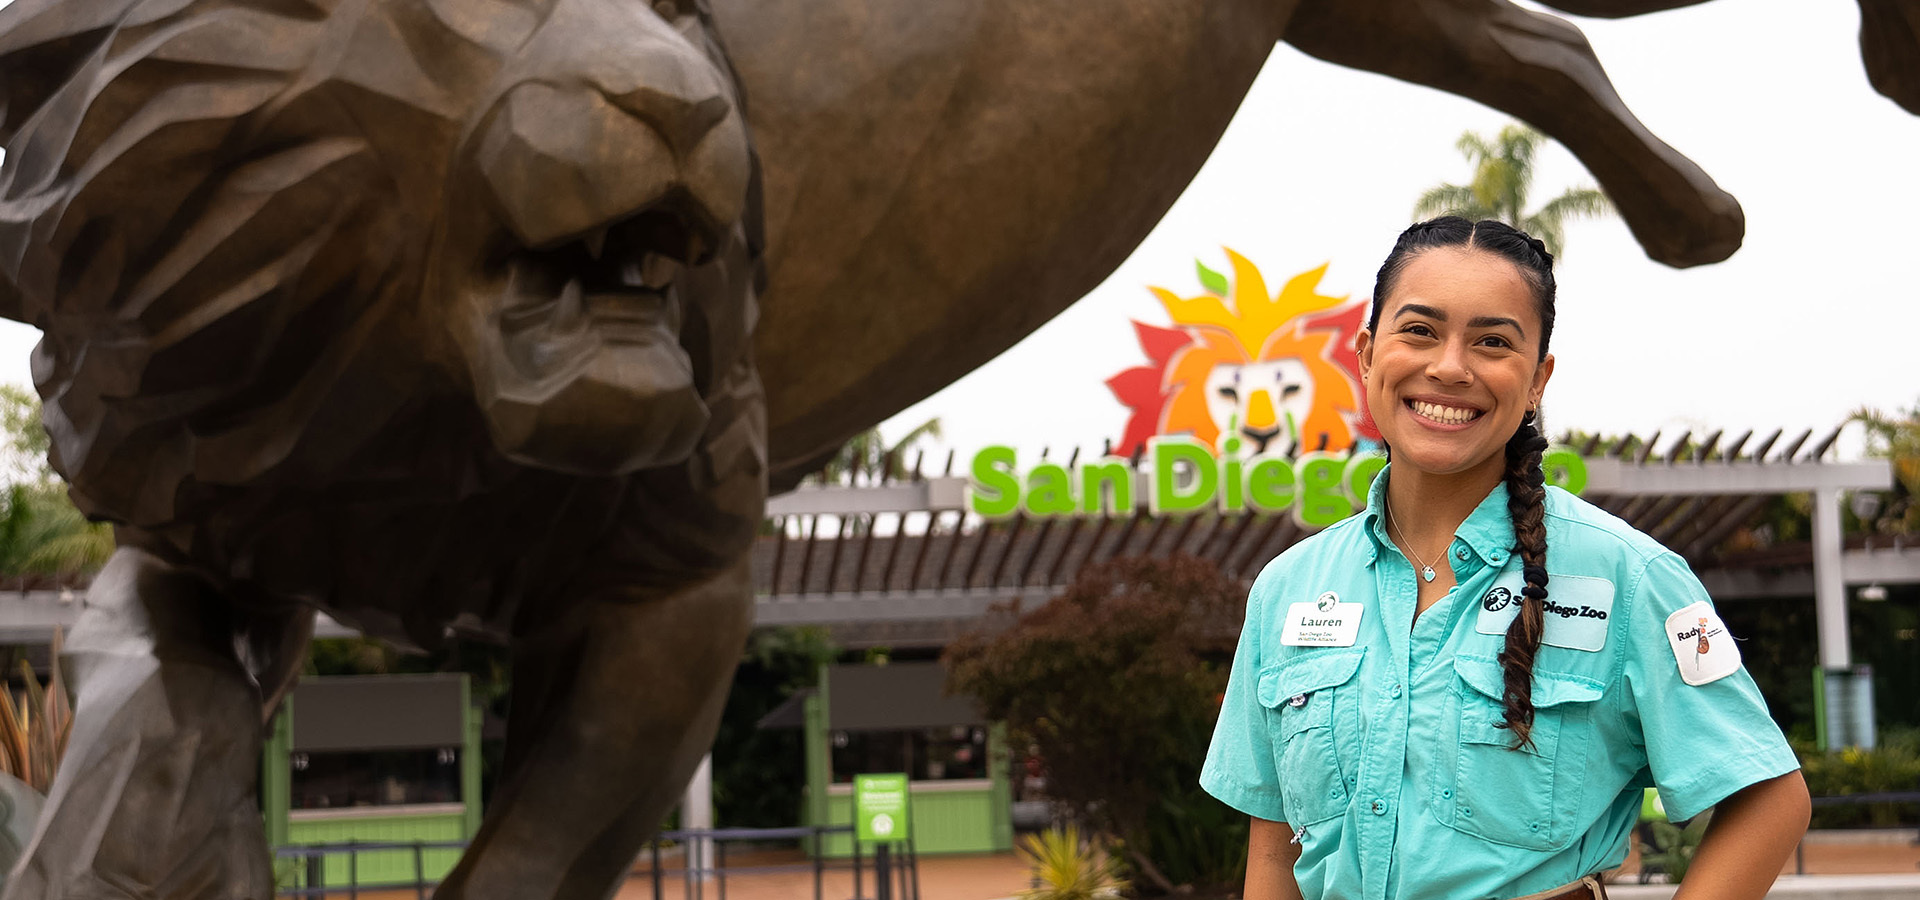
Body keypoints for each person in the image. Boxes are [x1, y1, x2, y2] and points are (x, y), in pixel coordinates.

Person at [1200, 217, 1810, 900]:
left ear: (1538, 378)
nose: (1450, 367)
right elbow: (1274, 852)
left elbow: (1770, 800)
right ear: (1368, 354)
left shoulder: (1630, 578)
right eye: (1420, 331)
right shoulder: (1288, 590)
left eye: (1492, 341)